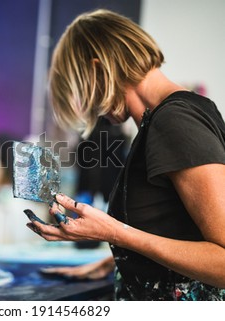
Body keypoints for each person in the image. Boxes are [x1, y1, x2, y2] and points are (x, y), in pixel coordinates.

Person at [24, 9, 225, 300]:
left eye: (85, 93)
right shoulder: (158, 121)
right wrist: (122, 261)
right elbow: (177, 227)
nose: (93, 109)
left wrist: (114, 233)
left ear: (98, 69)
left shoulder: (175, 120)